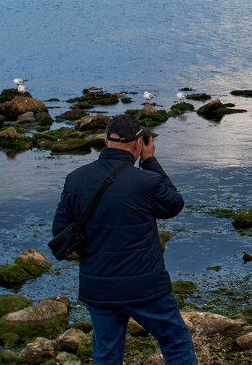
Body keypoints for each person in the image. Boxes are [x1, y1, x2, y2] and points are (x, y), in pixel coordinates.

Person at [52, 113, 195, 364]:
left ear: (106, 142)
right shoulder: (146, 181)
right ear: (139, 144)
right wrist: (150, 161)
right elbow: (174, 205)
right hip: (145, 287)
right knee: (175, 340)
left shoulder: (75, 179)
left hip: (98, 287)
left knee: (107, 351)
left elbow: (60, 231)